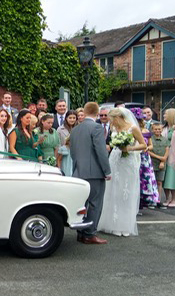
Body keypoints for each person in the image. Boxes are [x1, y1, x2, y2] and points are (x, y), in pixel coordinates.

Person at [98, 107, 146, 237]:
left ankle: (124, 225)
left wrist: (129, 148)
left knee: (125, 192)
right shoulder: (114, 129)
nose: (111, 123)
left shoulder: (133, 128)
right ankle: (111, 224)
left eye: (112, 120)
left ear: (119, 118)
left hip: (127, 161)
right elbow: (113, 144)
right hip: (114, 160)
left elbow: (143, 145)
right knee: (113, 191)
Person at [70, 102, 112, 244]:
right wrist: (107, 170)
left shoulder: (75, 129)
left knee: (82, 204)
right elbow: (101, 151)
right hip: (94, 173)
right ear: (97, 112)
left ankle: (81, 232)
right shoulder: (96, 127)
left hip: (78, 171)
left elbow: (73, 152)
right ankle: (89, 234)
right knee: (95, 204)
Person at [131, 107, 159, 209]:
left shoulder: (145, 130)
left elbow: (151, 145)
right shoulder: (132, 129)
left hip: (144, 158)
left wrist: (147, 148)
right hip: (134, 155)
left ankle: (144, 199)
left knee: (145, 179)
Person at [149, 122, 169, 209]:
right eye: (156, 129)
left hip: (161, 164)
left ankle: (158, 200)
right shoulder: (150, 139)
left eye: (159, 129)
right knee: (151, 182)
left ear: (162, 130)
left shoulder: (165, 140)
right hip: (152, 163)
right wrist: (159, 157)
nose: (158, 131)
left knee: (159, 182)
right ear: (152, 130)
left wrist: (163, 161)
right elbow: (148, 151)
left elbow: (167, 150)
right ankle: (151, 200)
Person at [57, 110, 77, 176]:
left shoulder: (79, 128)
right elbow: (58, 143)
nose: (72, 120)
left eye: (74, 118)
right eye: (70, 118)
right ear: (66, 118)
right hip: (64, 153)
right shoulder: (60, 129)